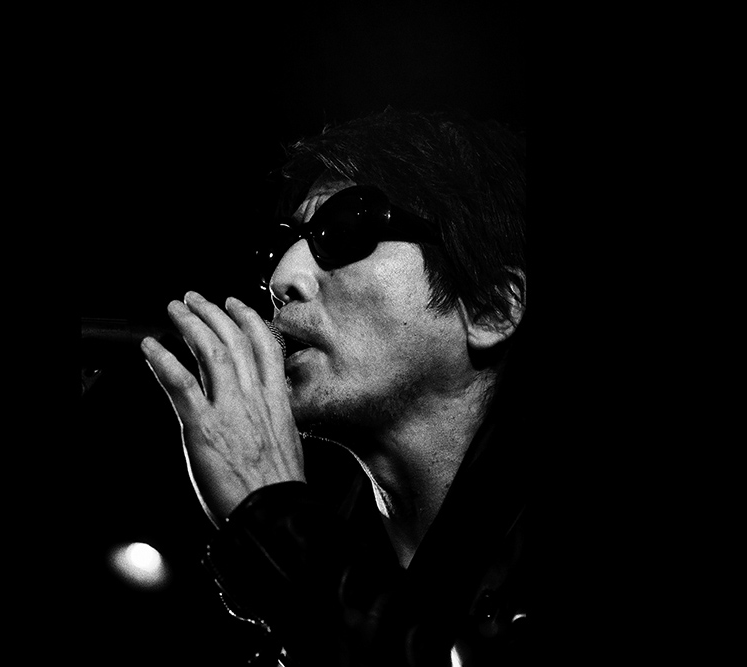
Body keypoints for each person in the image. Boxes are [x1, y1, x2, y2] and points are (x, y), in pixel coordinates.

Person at [140, 108, 529, 666]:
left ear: (491, 308)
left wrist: (273, 520)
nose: (281, 279)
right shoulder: (326, 564)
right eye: (279, 248)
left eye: (346, 229)